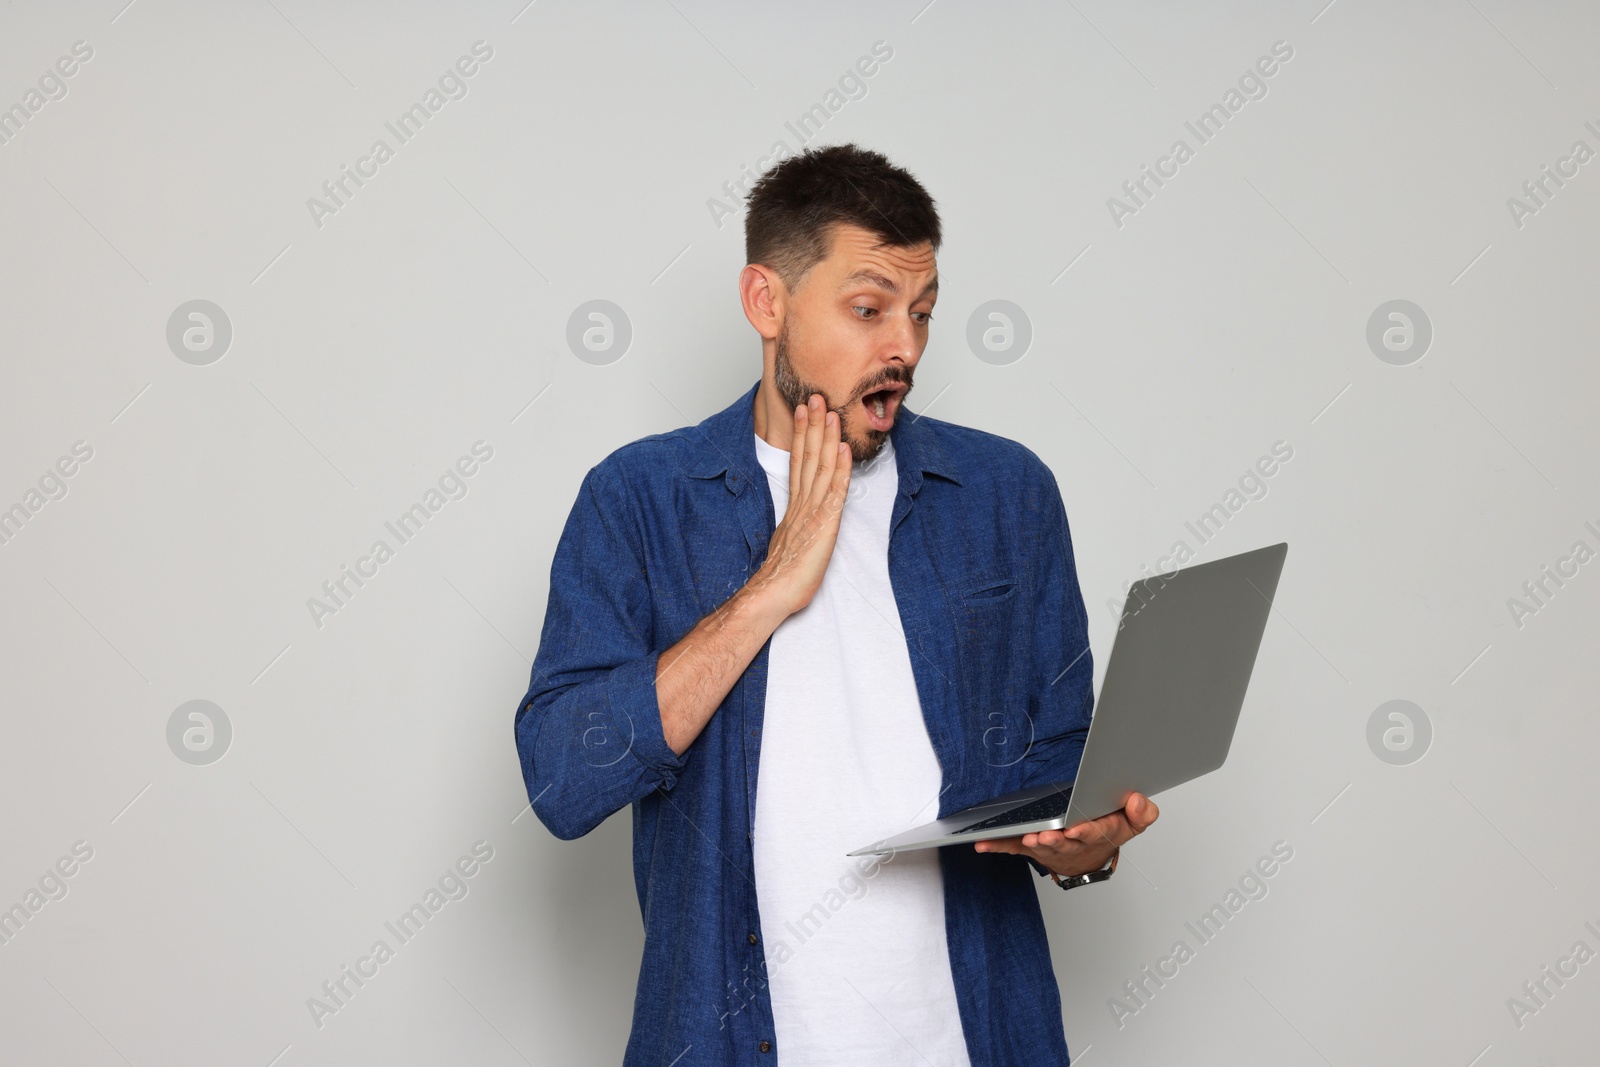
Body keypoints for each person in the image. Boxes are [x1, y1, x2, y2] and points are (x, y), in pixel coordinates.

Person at [514, 143, 1158, 1065]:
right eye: (868, 309)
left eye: (922, 313)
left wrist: (1086, 843)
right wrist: (775, 584)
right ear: (766, 303)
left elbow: (1064, 766)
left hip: (978, 1037)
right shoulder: (642, 499)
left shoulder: (1005, 493)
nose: (904, 346)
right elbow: (563, 778)